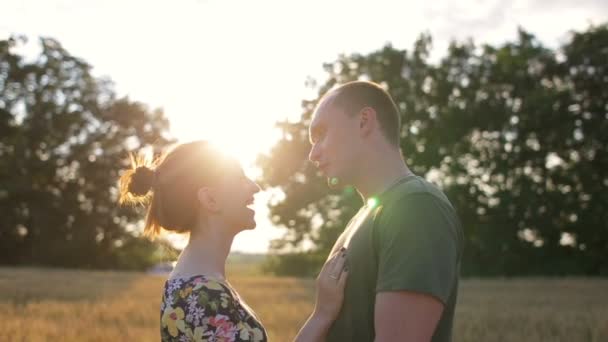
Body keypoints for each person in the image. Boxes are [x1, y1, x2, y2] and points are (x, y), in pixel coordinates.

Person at [119, 140, 348, 342]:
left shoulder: (194, 285)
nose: (255, 187)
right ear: (210, 199)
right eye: (239, 178)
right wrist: (323, 314)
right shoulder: (203, 296)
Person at [308, 81, 464, 342]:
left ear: (364, 121)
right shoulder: (363, 218)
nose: (313, 153)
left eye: (321, 134)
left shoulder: (416, 206)